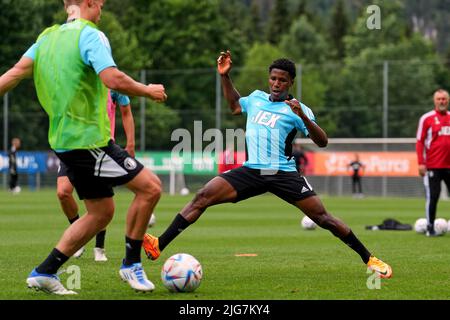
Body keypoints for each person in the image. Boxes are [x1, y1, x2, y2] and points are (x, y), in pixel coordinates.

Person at [142, 50, 392, 281]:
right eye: (273, 78)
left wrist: (303, 116)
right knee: (203, 196)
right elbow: (234, 106)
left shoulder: (298, 109)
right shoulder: (257, 99)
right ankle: (158, 244)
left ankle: (369, 258)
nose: (275, 84)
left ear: (290, 82)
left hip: (283, 173)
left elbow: (322, 141)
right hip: (252, 170)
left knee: (323, 218)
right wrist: (225, 76)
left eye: (282, 80)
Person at [0, 0, 167, 294]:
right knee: (151, 188)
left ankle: (45, 271)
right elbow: (111, 77)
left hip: (64, 144)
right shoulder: (90, 35)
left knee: (101, 212)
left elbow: (12, 75)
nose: (102, 8)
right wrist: (147, 90)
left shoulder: (46, 38)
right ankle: (131, 264)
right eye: (101, 3)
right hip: (89, 141)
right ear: (89, 2)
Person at [57, 90, 136, 262]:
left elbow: (126, 111)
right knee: (63, 192)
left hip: (102, 148)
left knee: (101, 201)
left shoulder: (112, 81)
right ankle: (79, 237)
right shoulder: (77, 77)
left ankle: (99, 248)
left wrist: (130, 145)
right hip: (73, 145)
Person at [416, 88, 450, 237]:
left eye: (444, 99)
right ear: (434, 101)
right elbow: (419, 141)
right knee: (433, 196)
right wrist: (421, 163)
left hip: (449, 166)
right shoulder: (427, 118)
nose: (442, 101)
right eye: (439, 99)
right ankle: (430, 228)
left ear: (448, 100)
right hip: (433, 166)